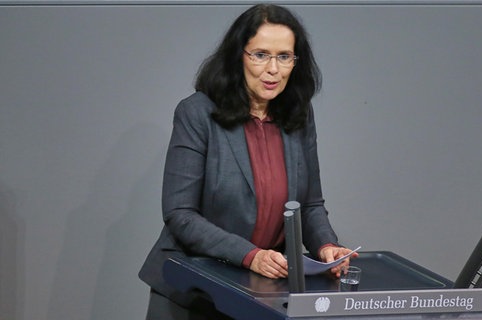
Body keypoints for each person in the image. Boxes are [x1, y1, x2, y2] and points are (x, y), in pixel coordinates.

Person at [139, 3, 358, 319]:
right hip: (192, 289)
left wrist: (327, 246)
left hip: (259, 292)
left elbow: (309, 204)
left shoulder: (299, 115)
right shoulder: (197, 113)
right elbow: (180, 214)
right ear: (237, 56)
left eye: (284, 57)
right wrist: (250, 255)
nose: (273, 69)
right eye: (260, 55)